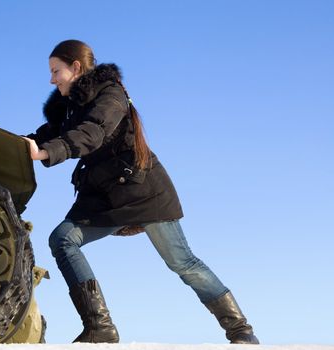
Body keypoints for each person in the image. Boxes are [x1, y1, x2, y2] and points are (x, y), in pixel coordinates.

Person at [23, 39, 259, 345]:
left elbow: (92, 133)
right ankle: (100, 327)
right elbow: (45, 135)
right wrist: (18, 144)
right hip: (103, 196)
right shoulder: (69, 107)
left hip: (142, 191)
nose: (52, 79)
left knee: (182, 263)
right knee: (63, 239)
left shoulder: (111, 95)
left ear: (76, 68)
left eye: (56, 71)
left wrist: (46, 153)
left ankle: (241, 331)